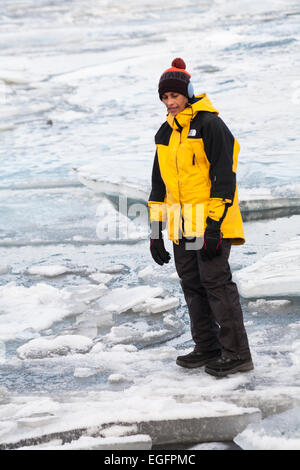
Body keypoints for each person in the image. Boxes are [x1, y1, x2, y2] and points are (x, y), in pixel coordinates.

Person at [148, 58, 253, 377]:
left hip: (210, 225)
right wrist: (155, 233)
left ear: (187, 94)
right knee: (192, 284)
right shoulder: (165, 134)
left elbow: (225, 178)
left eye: (174, 96)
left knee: (216, 283)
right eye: (164, 97)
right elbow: (158, 188)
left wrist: (213, 228)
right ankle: (207, 346)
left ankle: (237, 354)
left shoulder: (210, 125)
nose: (170, 102)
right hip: (182, 228)